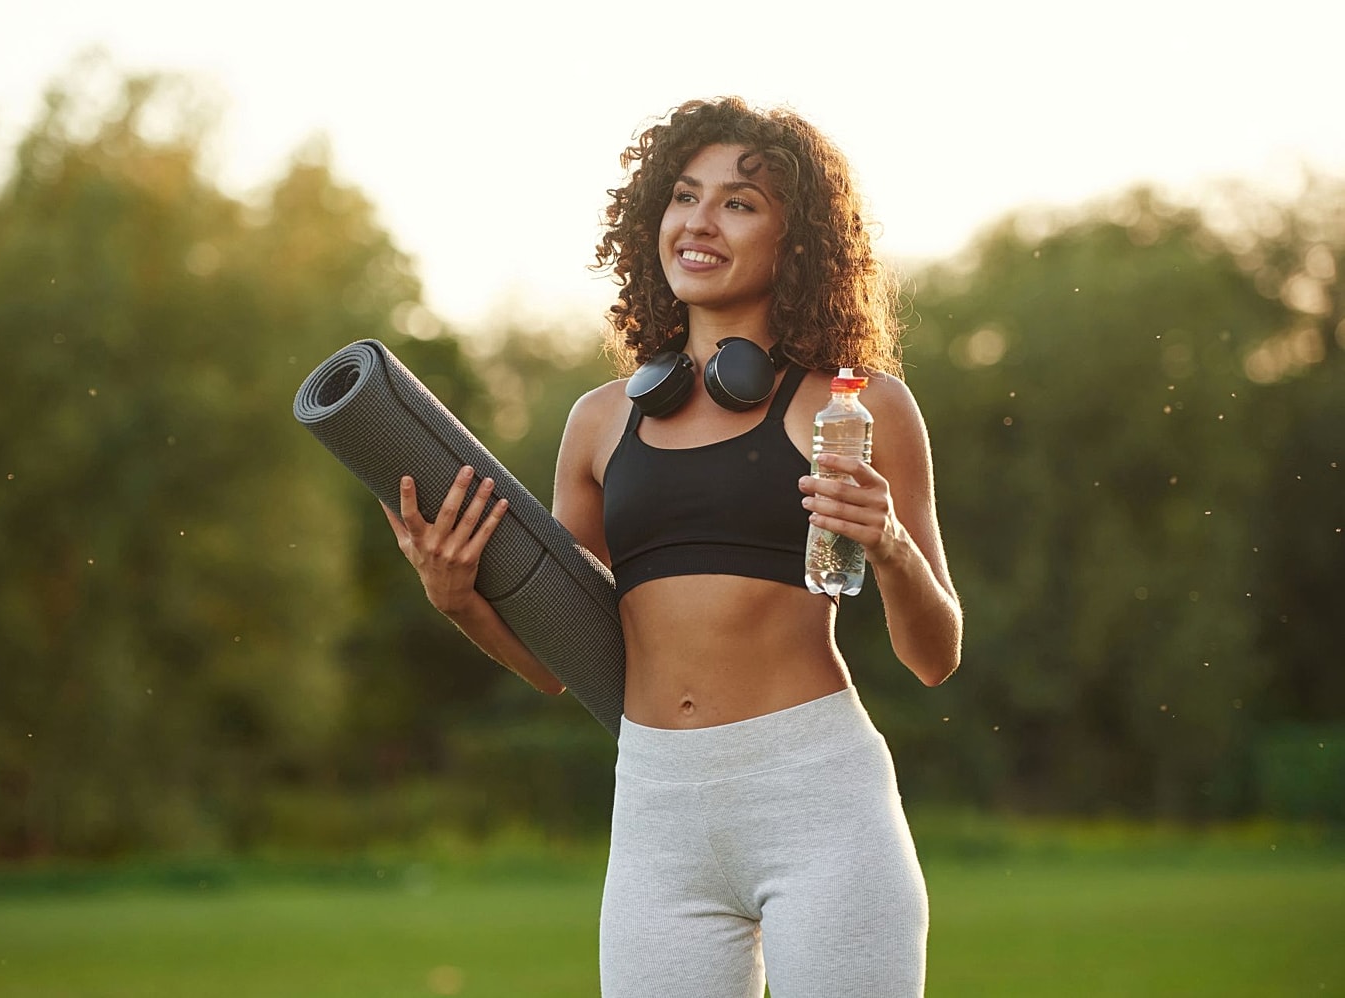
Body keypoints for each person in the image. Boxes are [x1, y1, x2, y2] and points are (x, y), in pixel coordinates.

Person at [382, 97, 961, 998]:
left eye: (739, 202)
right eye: (685, 195)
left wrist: (886, 542)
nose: (699, 220)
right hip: (658, 809)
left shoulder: (859, 407)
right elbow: (556, 663)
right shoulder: (597, 424)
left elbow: (936, 655)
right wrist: (459, 599)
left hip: (818, 798)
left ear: (795, 241)